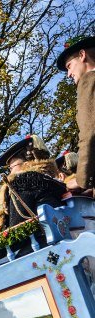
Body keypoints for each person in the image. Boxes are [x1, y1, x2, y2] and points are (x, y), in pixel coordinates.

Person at [0, 135, 66, 231]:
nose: (10, 173)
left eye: (11, 167)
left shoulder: (23, 181)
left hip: (41, 241)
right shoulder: (54, 180)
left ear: (26, 163)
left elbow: (18, 225)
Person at [57, 36, 95, 197]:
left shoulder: (89, 81)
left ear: (82, 55)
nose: (68, 74)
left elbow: (90, 132)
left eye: (69, 66)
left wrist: (81, 180)